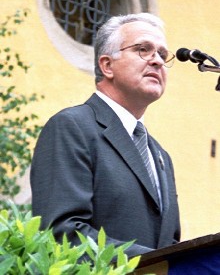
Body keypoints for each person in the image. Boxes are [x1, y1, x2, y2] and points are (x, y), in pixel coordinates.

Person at [30, 13, 181, 257]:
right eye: (144, 49)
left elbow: (169, 243)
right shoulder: (73, 127)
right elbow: (62, 234)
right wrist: (150, 264)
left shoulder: (161, 156)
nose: (158, 61)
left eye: (162, 55)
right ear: (107, 65)